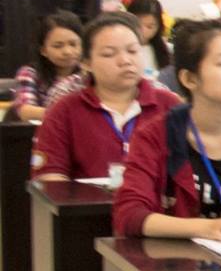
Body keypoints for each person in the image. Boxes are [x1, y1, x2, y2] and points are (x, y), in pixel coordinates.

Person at [114, 19, 221, 241]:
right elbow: (129, 215)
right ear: (189, 79)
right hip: (176, 259)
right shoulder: (155, 135)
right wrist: (206, 228)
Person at [31, 13, 177, 182]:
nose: (125, 61)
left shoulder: (169, 105)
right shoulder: (63, 111)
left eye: (132, 51)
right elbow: (49, 177)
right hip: (86, 199)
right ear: (86, 63)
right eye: (109, 54)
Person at [9, 11, 85, 124]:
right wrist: (67, 114)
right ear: (43, 50)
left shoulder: (89, 75)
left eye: (73, 44)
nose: (67, 51)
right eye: (58, 46)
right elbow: (24, 111)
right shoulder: (29, 73)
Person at [124, 0, 171, 81]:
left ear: (158, 27)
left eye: (150, 27)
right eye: (138, 24)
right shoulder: (120, 48)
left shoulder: (164, 50)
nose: (143, 31)